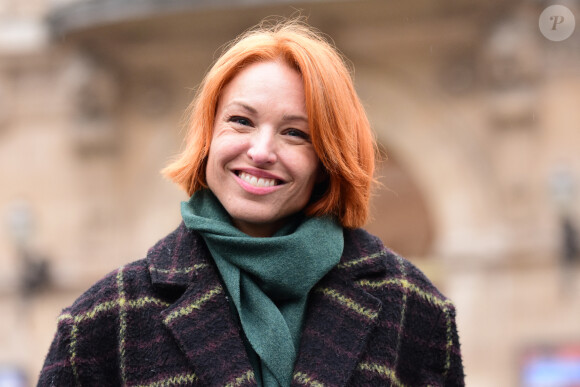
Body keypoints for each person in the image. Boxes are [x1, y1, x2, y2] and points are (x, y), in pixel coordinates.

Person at [38, 19, 464, 387]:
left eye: (295, 132)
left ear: (327, 160)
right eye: (241, 121)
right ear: (208, 136)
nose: (261, 151)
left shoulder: (414, 309)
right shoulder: (102, 323)